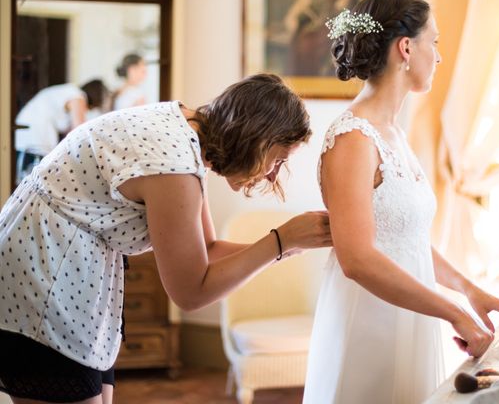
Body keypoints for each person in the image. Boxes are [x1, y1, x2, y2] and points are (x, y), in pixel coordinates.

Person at [0, 74, 332, 404]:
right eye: (277, 159)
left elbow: (208, 250)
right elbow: (190, 292)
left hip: (76, 273)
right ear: (256, 137)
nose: (273, 173)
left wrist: (289, 247)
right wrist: (279, 242)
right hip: (43, 275)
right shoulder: (172, 165)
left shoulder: (185, 130)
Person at [303, 0, 499, 403]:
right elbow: (358, 259)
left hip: (410, 315)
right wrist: (454, 313)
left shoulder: (393, 133)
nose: (438, 57)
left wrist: (469, 290)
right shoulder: (353, 138)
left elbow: (406, 237)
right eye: (434, 42)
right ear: (406, 48)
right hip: (369, 321)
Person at [14, 79, 110, 184]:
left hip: (26, 134)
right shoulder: (77, 96)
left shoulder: (68, 91)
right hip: (35, 137)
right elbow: (79, 131)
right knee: (34, 182)